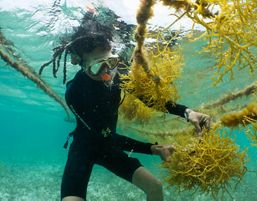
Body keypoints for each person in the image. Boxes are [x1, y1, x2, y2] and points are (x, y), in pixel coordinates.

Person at [41, 10, 211, 201]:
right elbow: (105, 135)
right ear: (78, 61)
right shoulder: (75, 92)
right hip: (84, 149)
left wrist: (187, 112)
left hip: (108, 146)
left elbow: (150, 100)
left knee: (155, 187)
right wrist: (152, 149)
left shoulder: (117, 74)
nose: (108, 72)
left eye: (111, 62)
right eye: (98, 66)